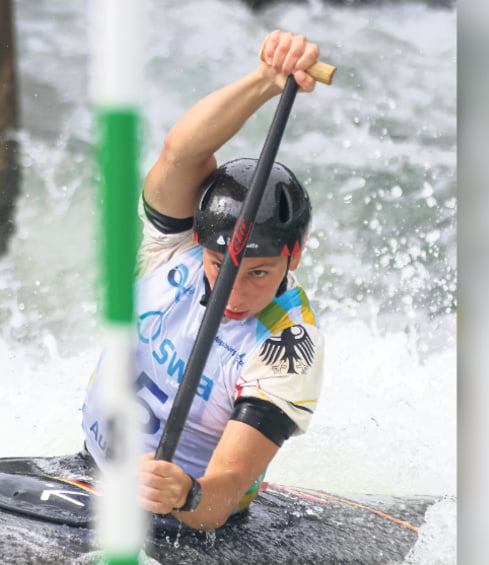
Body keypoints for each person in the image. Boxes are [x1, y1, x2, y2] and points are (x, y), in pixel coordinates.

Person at [82, 30, 325, 530]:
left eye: (259, 272)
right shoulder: (178, 245)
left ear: (293, 255)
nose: (236, 293)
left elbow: (228, 486)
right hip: (88, 474)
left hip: (178, 522)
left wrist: (186, 494)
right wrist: (266, 80)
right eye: (223, 267)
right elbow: (181, 153)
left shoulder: (288, 343)